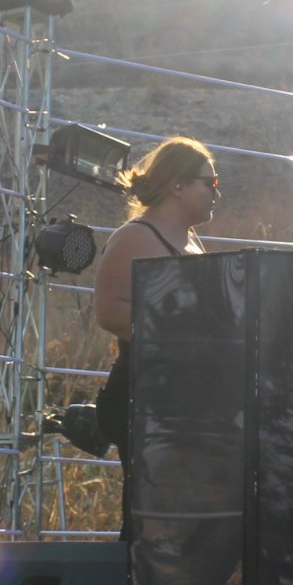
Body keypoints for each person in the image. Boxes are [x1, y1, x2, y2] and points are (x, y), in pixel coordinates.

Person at [91, 137, 218, 460]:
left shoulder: (190, 241)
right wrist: (184, 333)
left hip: (184, 399)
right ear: (178, 185)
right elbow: (108, 312)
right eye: (210, 183)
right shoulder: (135, 237)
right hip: (147, 399)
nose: (216, 193)